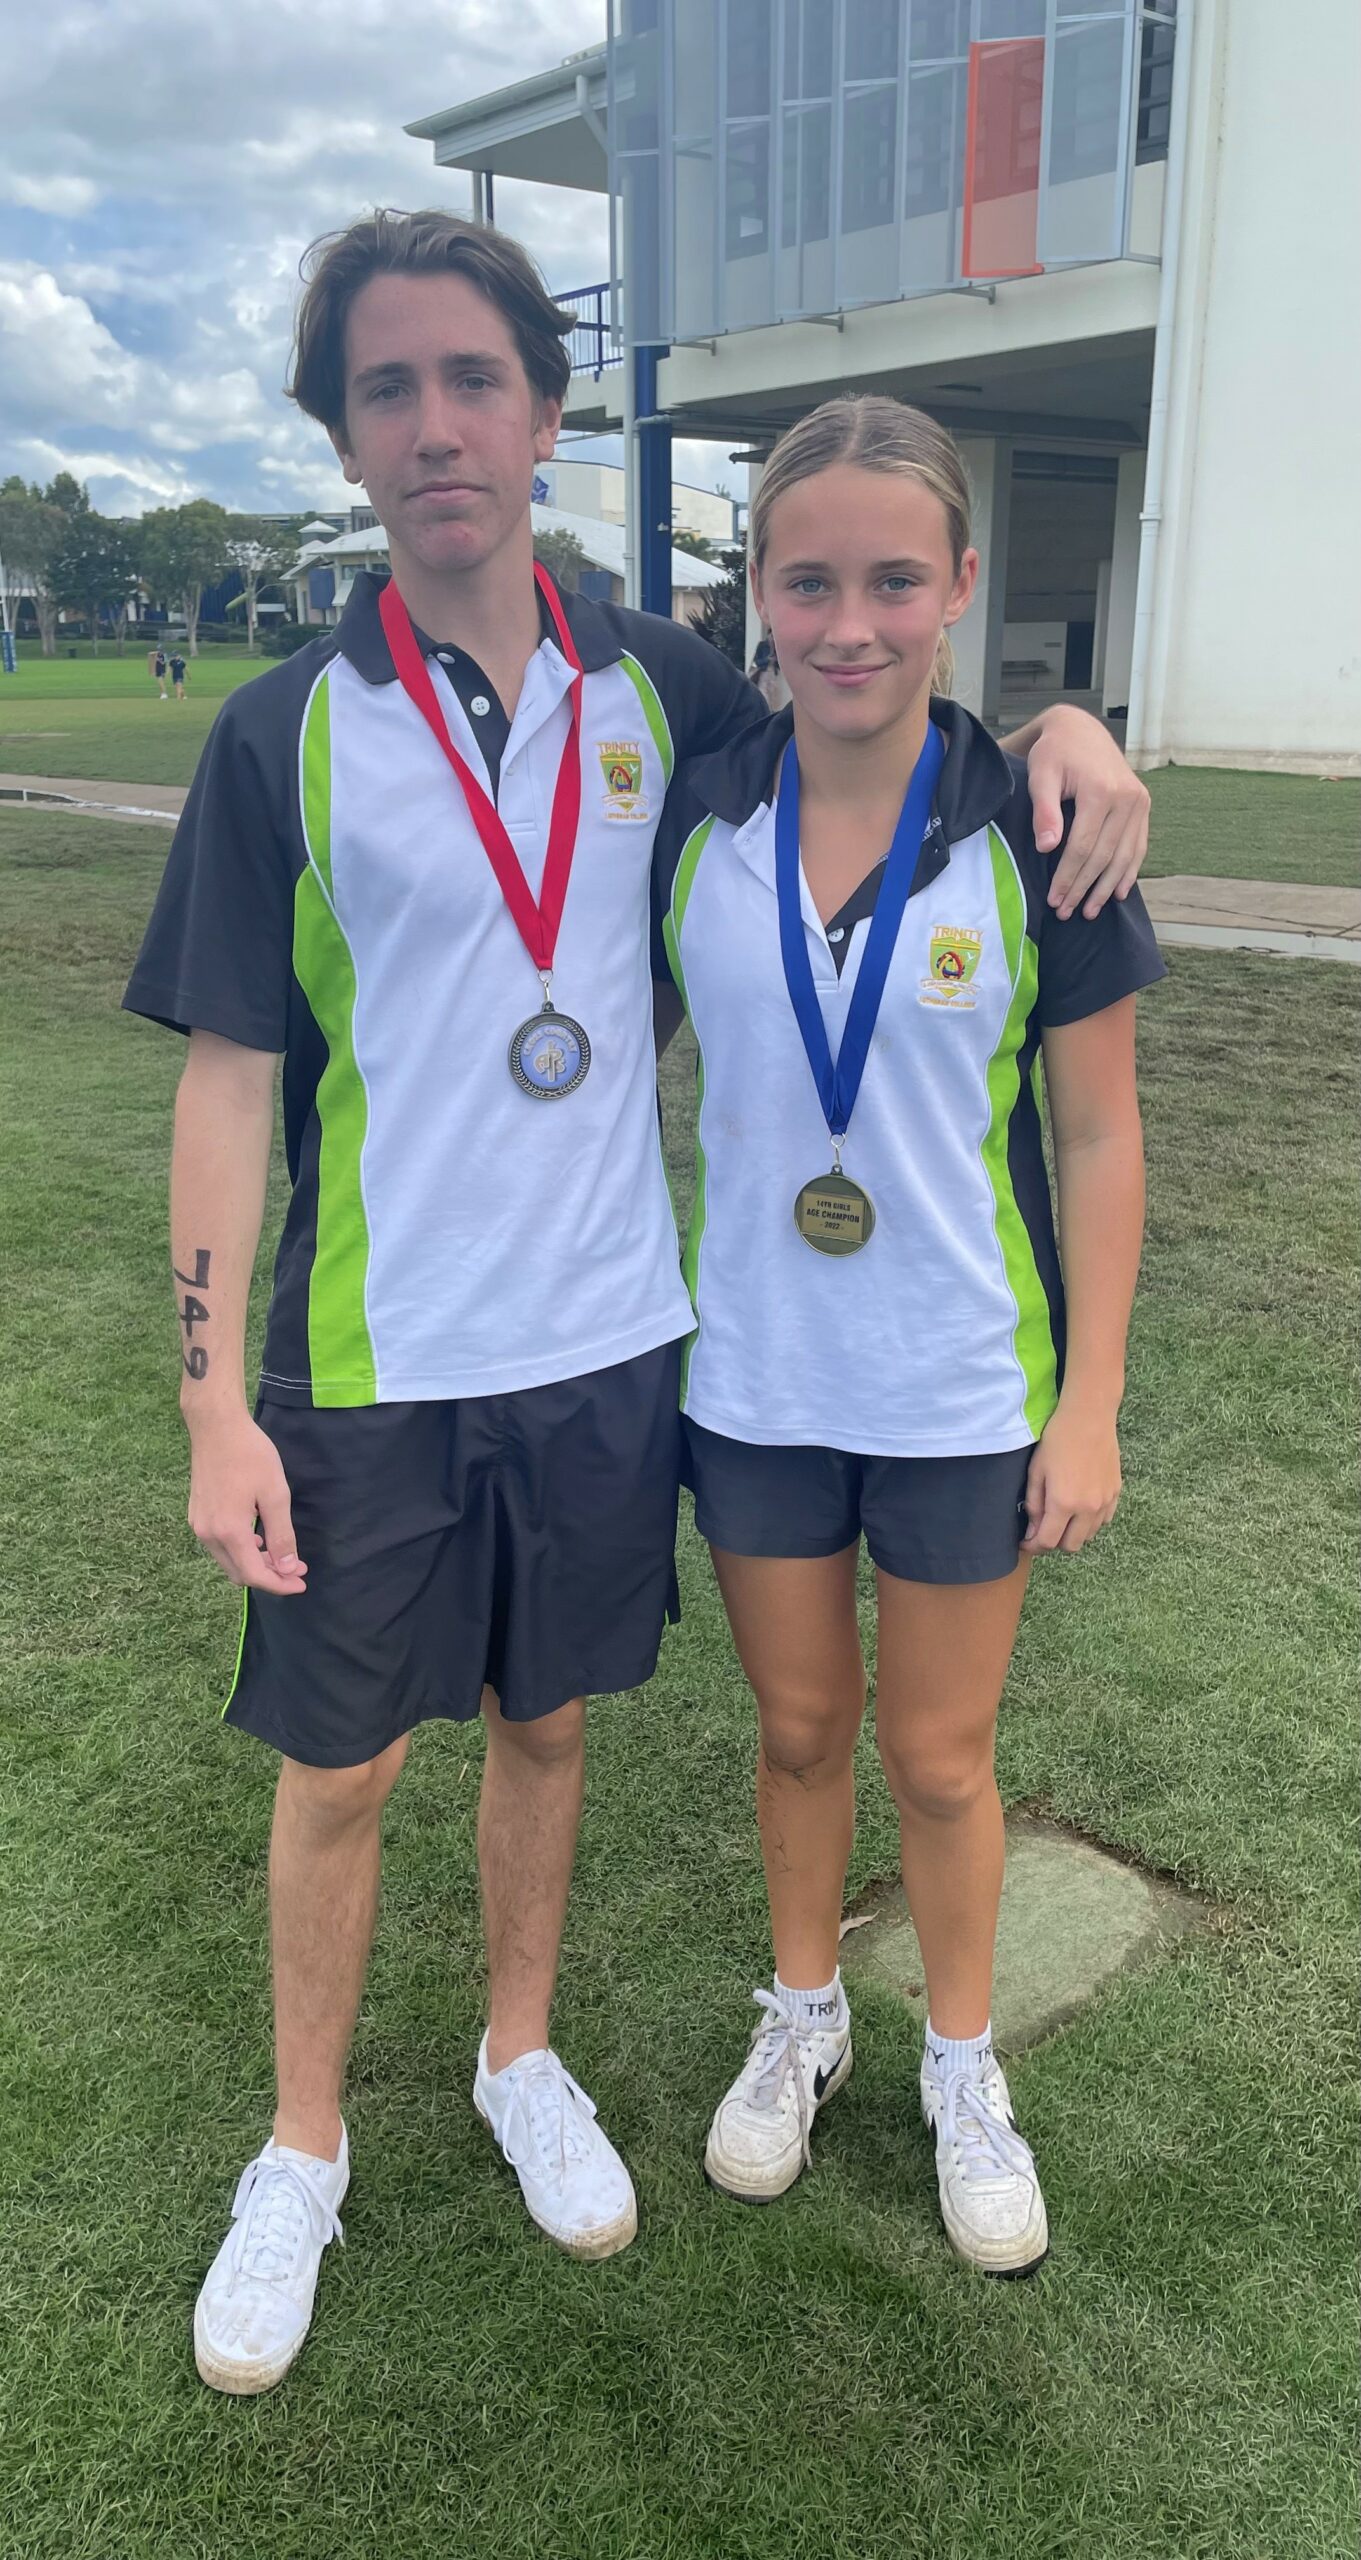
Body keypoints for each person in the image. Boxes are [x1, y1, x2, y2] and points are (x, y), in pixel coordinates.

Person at [122, 210, 1151, 2395]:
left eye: (471, 381)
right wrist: (211, 1404)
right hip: (371, 1357)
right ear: (343, 436)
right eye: (385, 390)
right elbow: (222, 1080)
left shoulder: (664, 703)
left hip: (609, 1347)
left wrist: (1070, 725)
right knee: (338, 1765)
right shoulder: (282, 731)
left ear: (544, 412)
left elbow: (886, 704)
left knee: (550, 1724)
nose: (434, 428)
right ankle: (299, 2148)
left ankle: (521, 2056)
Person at [654, 396, 1165, 2275]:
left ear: (958, 582)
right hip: (757, 1380)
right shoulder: (695, 809)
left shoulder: (1041, 829)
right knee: (798, 1730)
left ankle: (962, 2062)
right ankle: (803, 2018)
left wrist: (1089, 1404)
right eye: (807, 583)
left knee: (941, 1760)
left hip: (961, 1388)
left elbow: (1098, 1136)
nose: (847, 623)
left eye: (890, 579)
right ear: (756, 592)